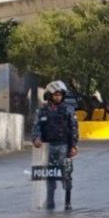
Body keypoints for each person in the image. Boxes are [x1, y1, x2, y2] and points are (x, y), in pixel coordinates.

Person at [32, 80, 79, 210]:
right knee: (50, 174)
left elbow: (74, 128)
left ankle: (67, 201)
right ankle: (50, 201)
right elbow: (36, 126)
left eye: (60, 94)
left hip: (64, 146)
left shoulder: (68, 109)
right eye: (55, 94)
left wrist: (74, 146)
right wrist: (36, 138)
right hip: (48, 147)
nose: (58, 97)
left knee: (67, 174)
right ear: (49, 95)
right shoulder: (42, 110)